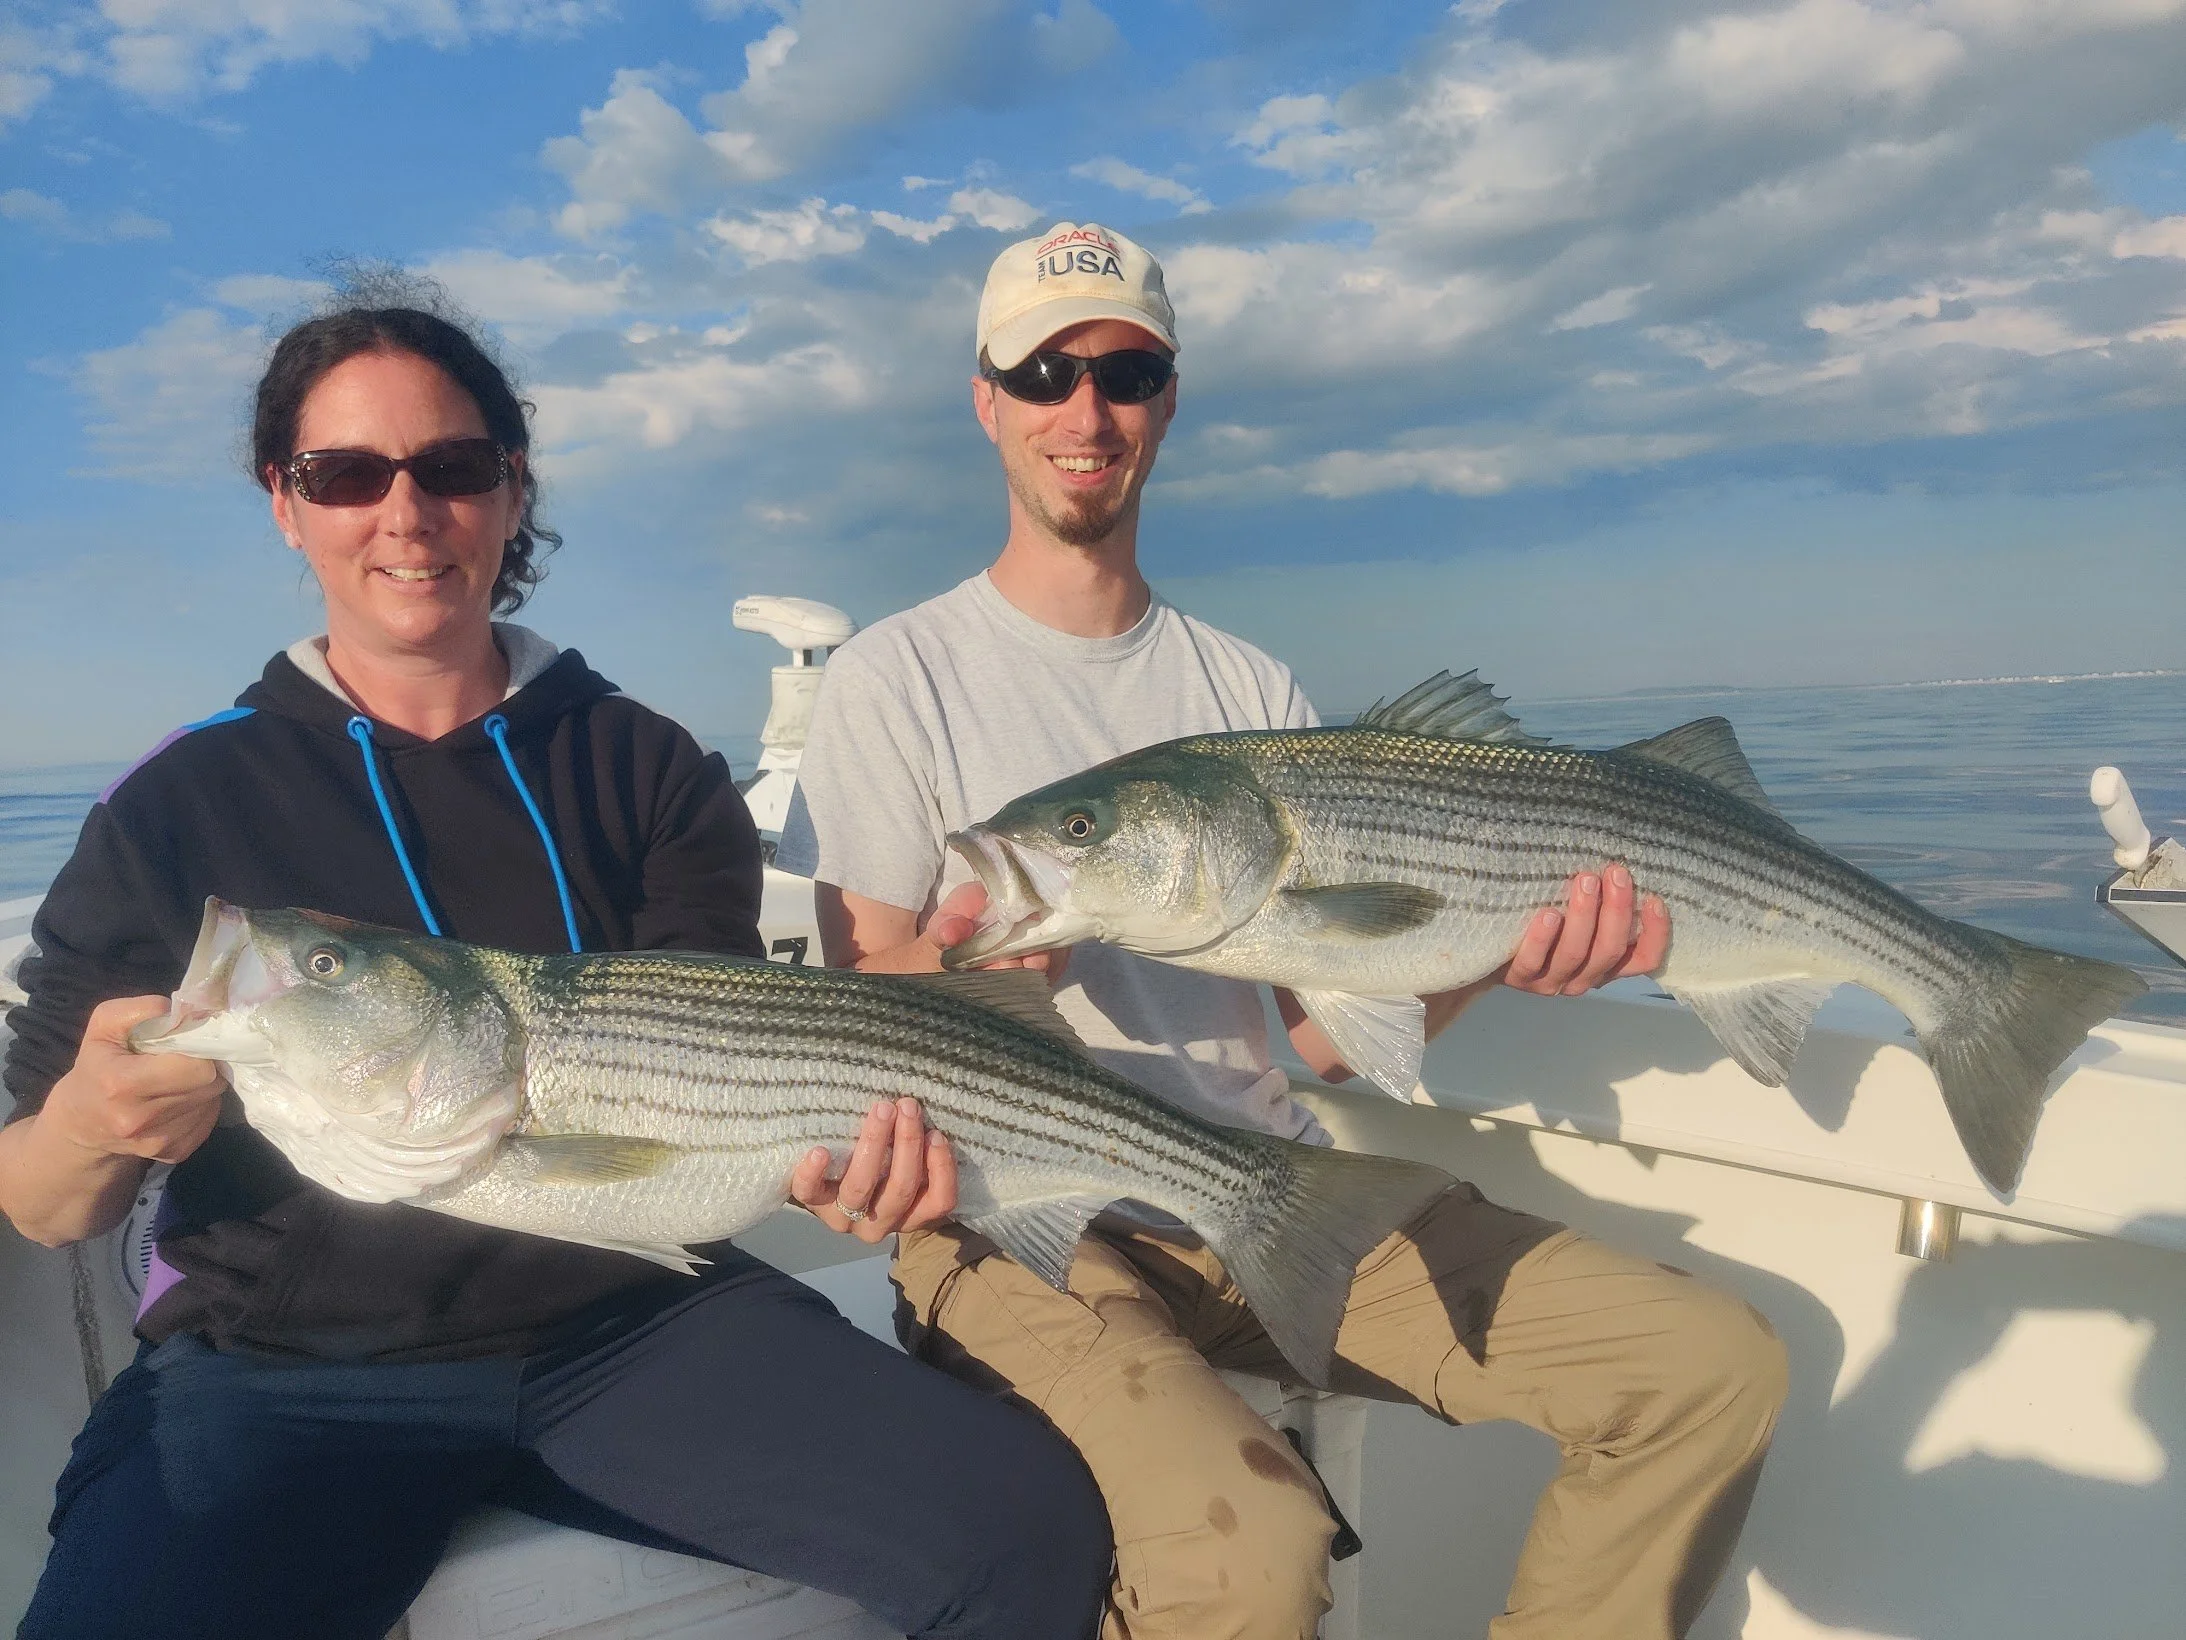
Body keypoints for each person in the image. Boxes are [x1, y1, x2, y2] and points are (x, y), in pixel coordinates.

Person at [0, 290, 1109, 1640]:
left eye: (452, 468)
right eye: (345, 474)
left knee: (1024, 1528)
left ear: (511, 488)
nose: (404, 516)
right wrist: (92, 1119)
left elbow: (730, 1076)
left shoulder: (643, 764)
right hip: (290, 1370)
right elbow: (46, 1204)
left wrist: (843, 1169)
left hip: (635, 1329)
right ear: (286, 504)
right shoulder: (178, 805)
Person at [777, 222, 1791, 1640]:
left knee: (1703, 1365)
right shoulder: (899, 674)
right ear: (986, 398)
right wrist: (965, 975)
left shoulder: (1247, 683)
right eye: (1046, 372)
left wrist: (1500, 948)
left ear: (1168, 400)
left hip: (1273, 1192)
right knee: (1250, 1547)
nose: (1086, 410)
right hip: (1010, 1225)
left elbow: (1318, 1026)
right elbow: (848, 996)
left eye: (1124, 372)